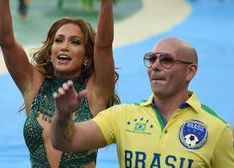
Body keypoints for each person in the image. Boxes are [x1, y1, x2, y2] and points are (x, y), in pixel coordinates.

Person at [0, 0, 119, 167]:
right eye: (59, 40)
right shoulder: (34, 84)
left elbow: (104, 46)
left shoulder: (96, 91)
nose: (64, 46)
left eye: (75, 42)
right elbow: (6, 42)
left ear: (87, 56)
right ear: (51, 51)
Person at [51, 37, 234, 167]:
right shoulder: (122, 116)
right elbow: (66, 142)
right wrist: (63, 114)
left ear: (190, 71)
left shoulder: (216, 129)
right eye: (152, 59)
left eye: (167, 60)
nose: (155, 65)